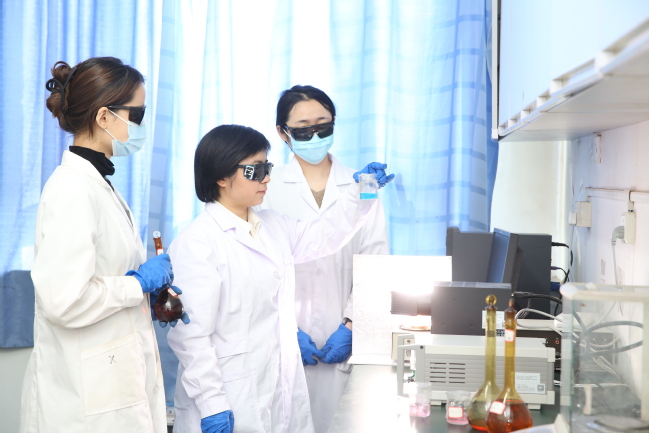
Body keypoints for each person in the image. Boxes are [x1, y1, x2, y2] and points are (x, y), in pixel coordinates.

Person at [166, 124, 393, 433]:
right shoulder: (198, 242)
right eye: (255, 170)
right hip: (227, 399)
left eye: (267, 167)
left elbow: (327, 234)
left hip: (276, 393)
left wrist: (362, 190)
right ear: (221, 176)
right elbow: (190, 337)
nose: (266, 178)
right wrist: (212, 405)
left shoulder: (273, 226)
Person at [21, 57, 187, 433]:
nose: (142, 124)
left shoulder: (96, 184)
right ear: (104, 117)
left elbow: (102, 278)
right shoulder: (72, 189)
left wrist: (147, 296)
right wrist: (136, 284)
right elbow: (64, 301)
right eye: (137, 114)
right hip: (84, 401)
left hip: (110, 380)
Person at [257, 85, 390, 432]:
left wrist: (352, 325)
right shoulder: (266, 188)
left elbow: (375, 264)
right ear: (282, 133)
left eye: (323, 126)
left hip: (344, 334)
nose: (315, 136)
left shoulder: (363, 186)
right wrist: (287, 329)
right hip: (282, 337)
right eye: (303, 129)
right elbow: (258, 269)